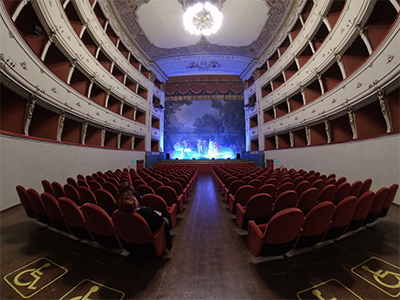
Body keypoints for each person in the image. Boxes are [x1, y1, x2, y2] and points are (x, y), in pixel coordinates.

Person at [117, 183, 172, 250]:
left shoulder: (119, 214)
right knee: (165, 220)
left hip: (131, 244)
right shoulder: (145, 211)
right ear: (135, 202)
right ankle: (167, 244)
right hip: (149, 242)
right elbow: (160, 222)